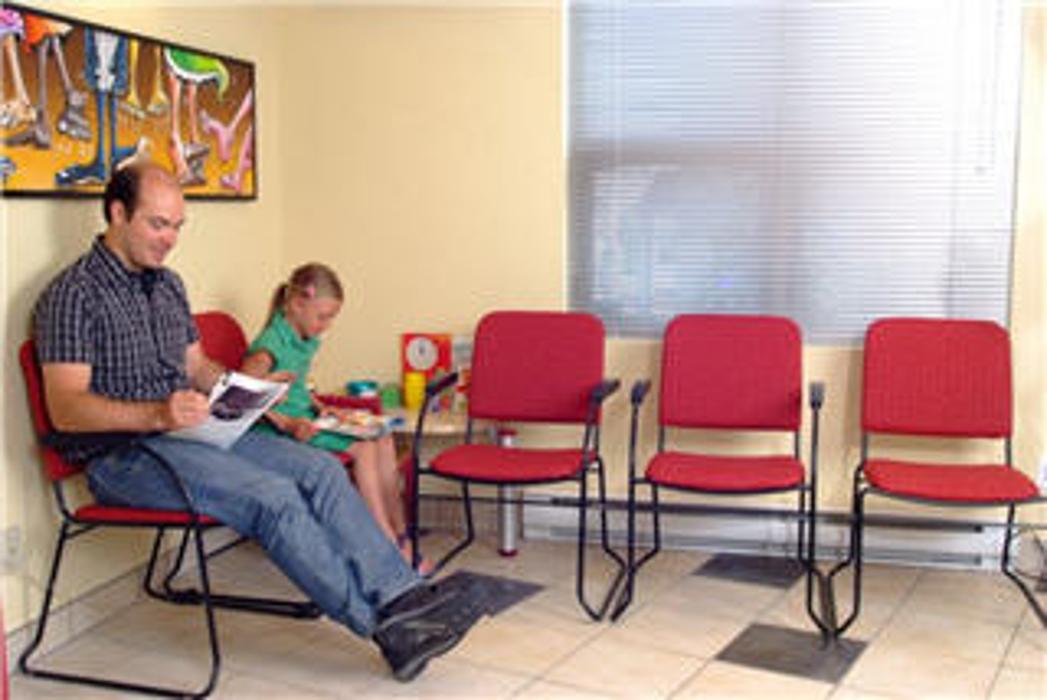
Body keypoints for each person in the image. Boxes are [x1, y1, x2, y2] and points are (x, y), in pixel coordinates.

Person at [31, 161, 482, 682]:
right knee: (274, 497)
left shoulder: (168, 285)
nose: (170, 239)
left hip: (189, 432)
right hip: (124, 456)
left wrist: (249, 397)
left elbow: (197, 367)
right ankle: (388, 629)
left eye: (177, 226)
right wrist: (157, 413)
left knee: (320, 470)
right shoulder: (72, 295)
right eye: (158, 224)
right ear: (116, 213)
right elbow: (66, 406)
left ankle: (403, 595)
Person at [241, 263, 432, 572]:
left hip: (308, 418)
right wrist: (287, 423)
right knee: (364, 449)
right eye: (323, 316)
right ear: (297, 304)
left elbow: (296, 386)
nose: (326, 325)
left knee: (382, 436)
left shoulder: (303, 337)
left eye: (331, 317)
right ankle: (386, 547)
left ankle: (402, 535)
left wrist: (320, 406)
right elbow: (242, 399)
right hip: (280, 432)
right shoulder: (268, 348)